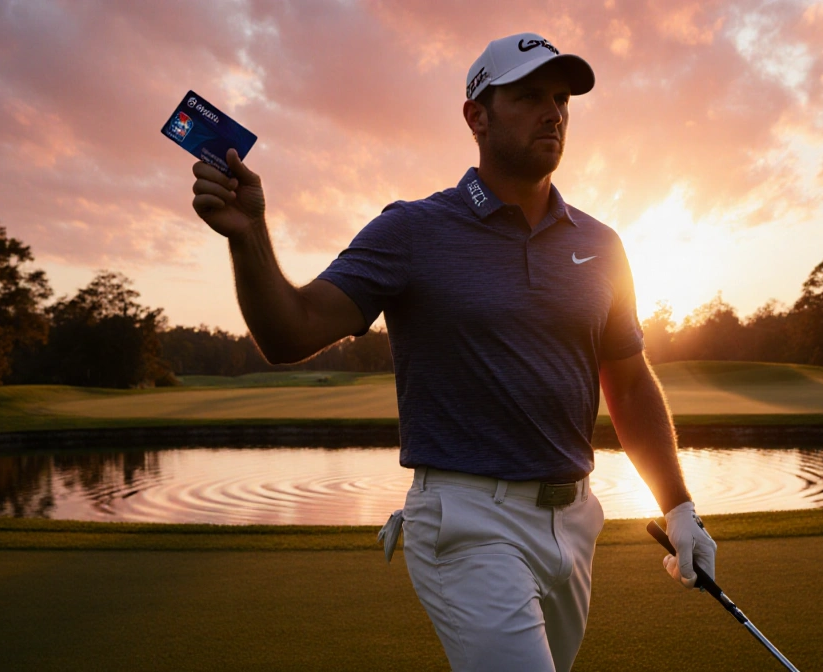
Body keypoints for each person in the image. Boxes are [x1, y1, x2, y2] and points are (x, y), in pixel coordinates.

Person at [190, 31, 716, 672]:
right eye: (528, 96)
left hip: (575, 519)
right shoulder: (414, 230)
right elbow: (291, 330)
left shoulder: (602, 245)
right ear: (477, 115)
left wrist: (679, 506)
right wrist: (249, 237)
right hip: (467, 520)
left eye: (561, 98)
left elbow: (629, 385)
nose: (553, 112)